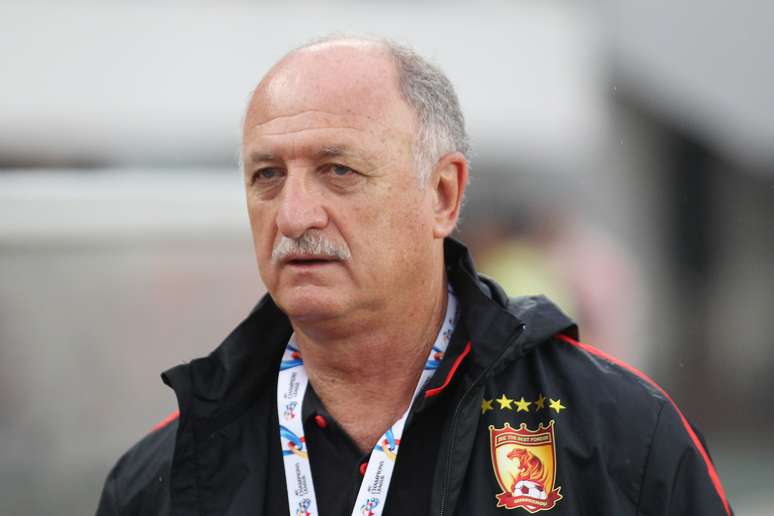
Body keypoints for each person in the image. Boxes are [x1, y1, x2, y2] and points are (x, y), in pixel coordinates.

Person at [96, 36, 731, 516]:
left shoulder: (620, 437)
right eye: (268, 175)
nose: (293, 215)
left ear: (443, 194)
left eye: (338, 170)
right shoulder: (163, 477)